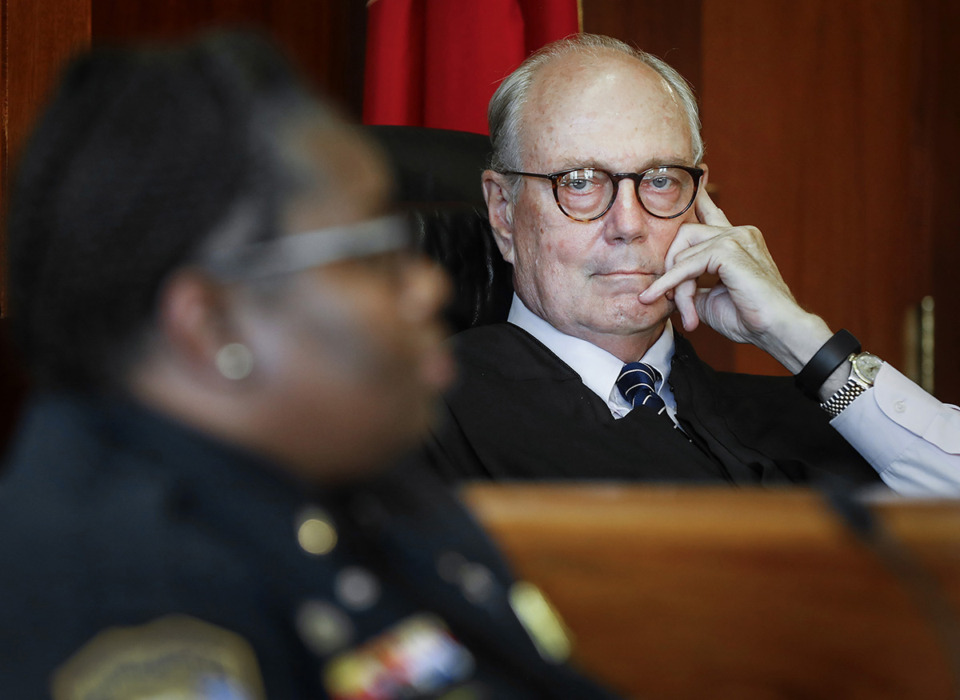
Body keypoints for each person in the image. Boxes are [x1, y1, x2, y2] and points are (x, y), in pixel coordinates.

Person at [0, 34, 618, 699]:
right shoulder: (117, 586)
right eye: (377, 257)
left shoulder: (366, 483)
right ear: (214, 325)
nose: (431, 288)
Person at [425, 34, 960, 496]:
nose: (629, 224)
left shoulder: (802, 415)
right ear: (503, 212)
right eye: (580, 182)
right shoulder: (423, 412)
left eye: (659, 180)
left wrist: (801, 341)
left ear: (700, 199)